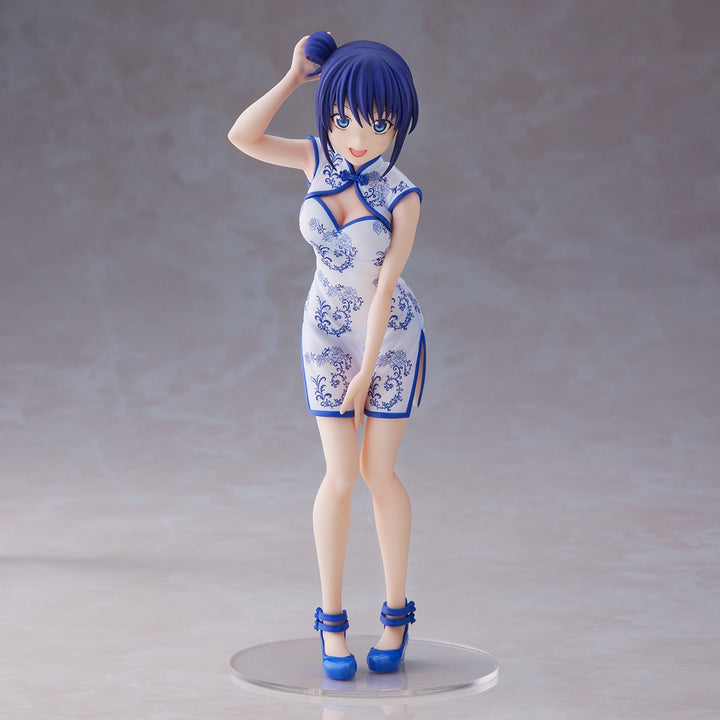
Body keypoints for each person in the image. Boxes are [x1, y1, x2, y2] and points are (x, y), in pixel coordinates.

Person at [228, 31, 424, 681]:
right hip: (324, 334)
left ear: (399, 122)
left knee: (378, 473)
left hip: (389, 339)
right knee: (339, 475)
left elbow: (386, 287)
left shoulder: (402, 196)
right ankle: (331, 622)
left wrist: (368, 371)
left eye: (377, 122)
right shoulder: (317, 159)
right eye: (343, 119)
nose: (357, 137)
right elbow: (243, 137)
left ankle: (396, 614)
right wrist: (293, 78)